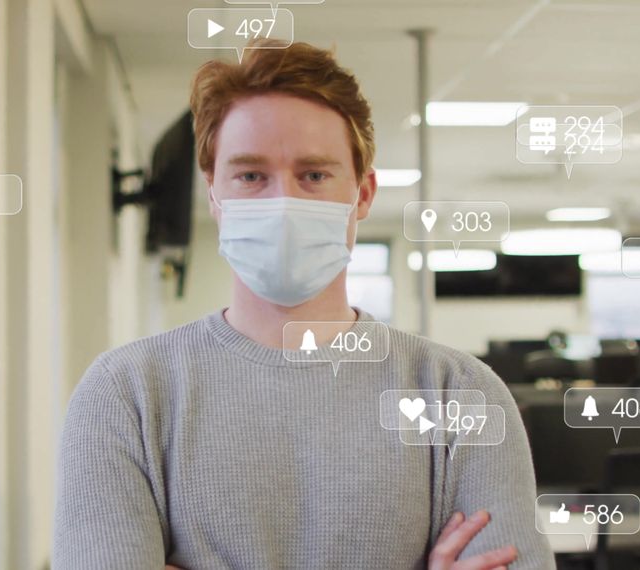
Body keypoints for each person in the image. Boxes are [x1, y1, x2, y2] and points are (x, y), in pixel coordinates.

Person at [53, 40, 554, 569]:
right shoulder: (125, 395)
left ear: (362, 194)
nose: (281, 204)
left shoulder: (461, 392)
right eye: (251, 176)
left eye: (313, 175)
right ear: (213, 194)